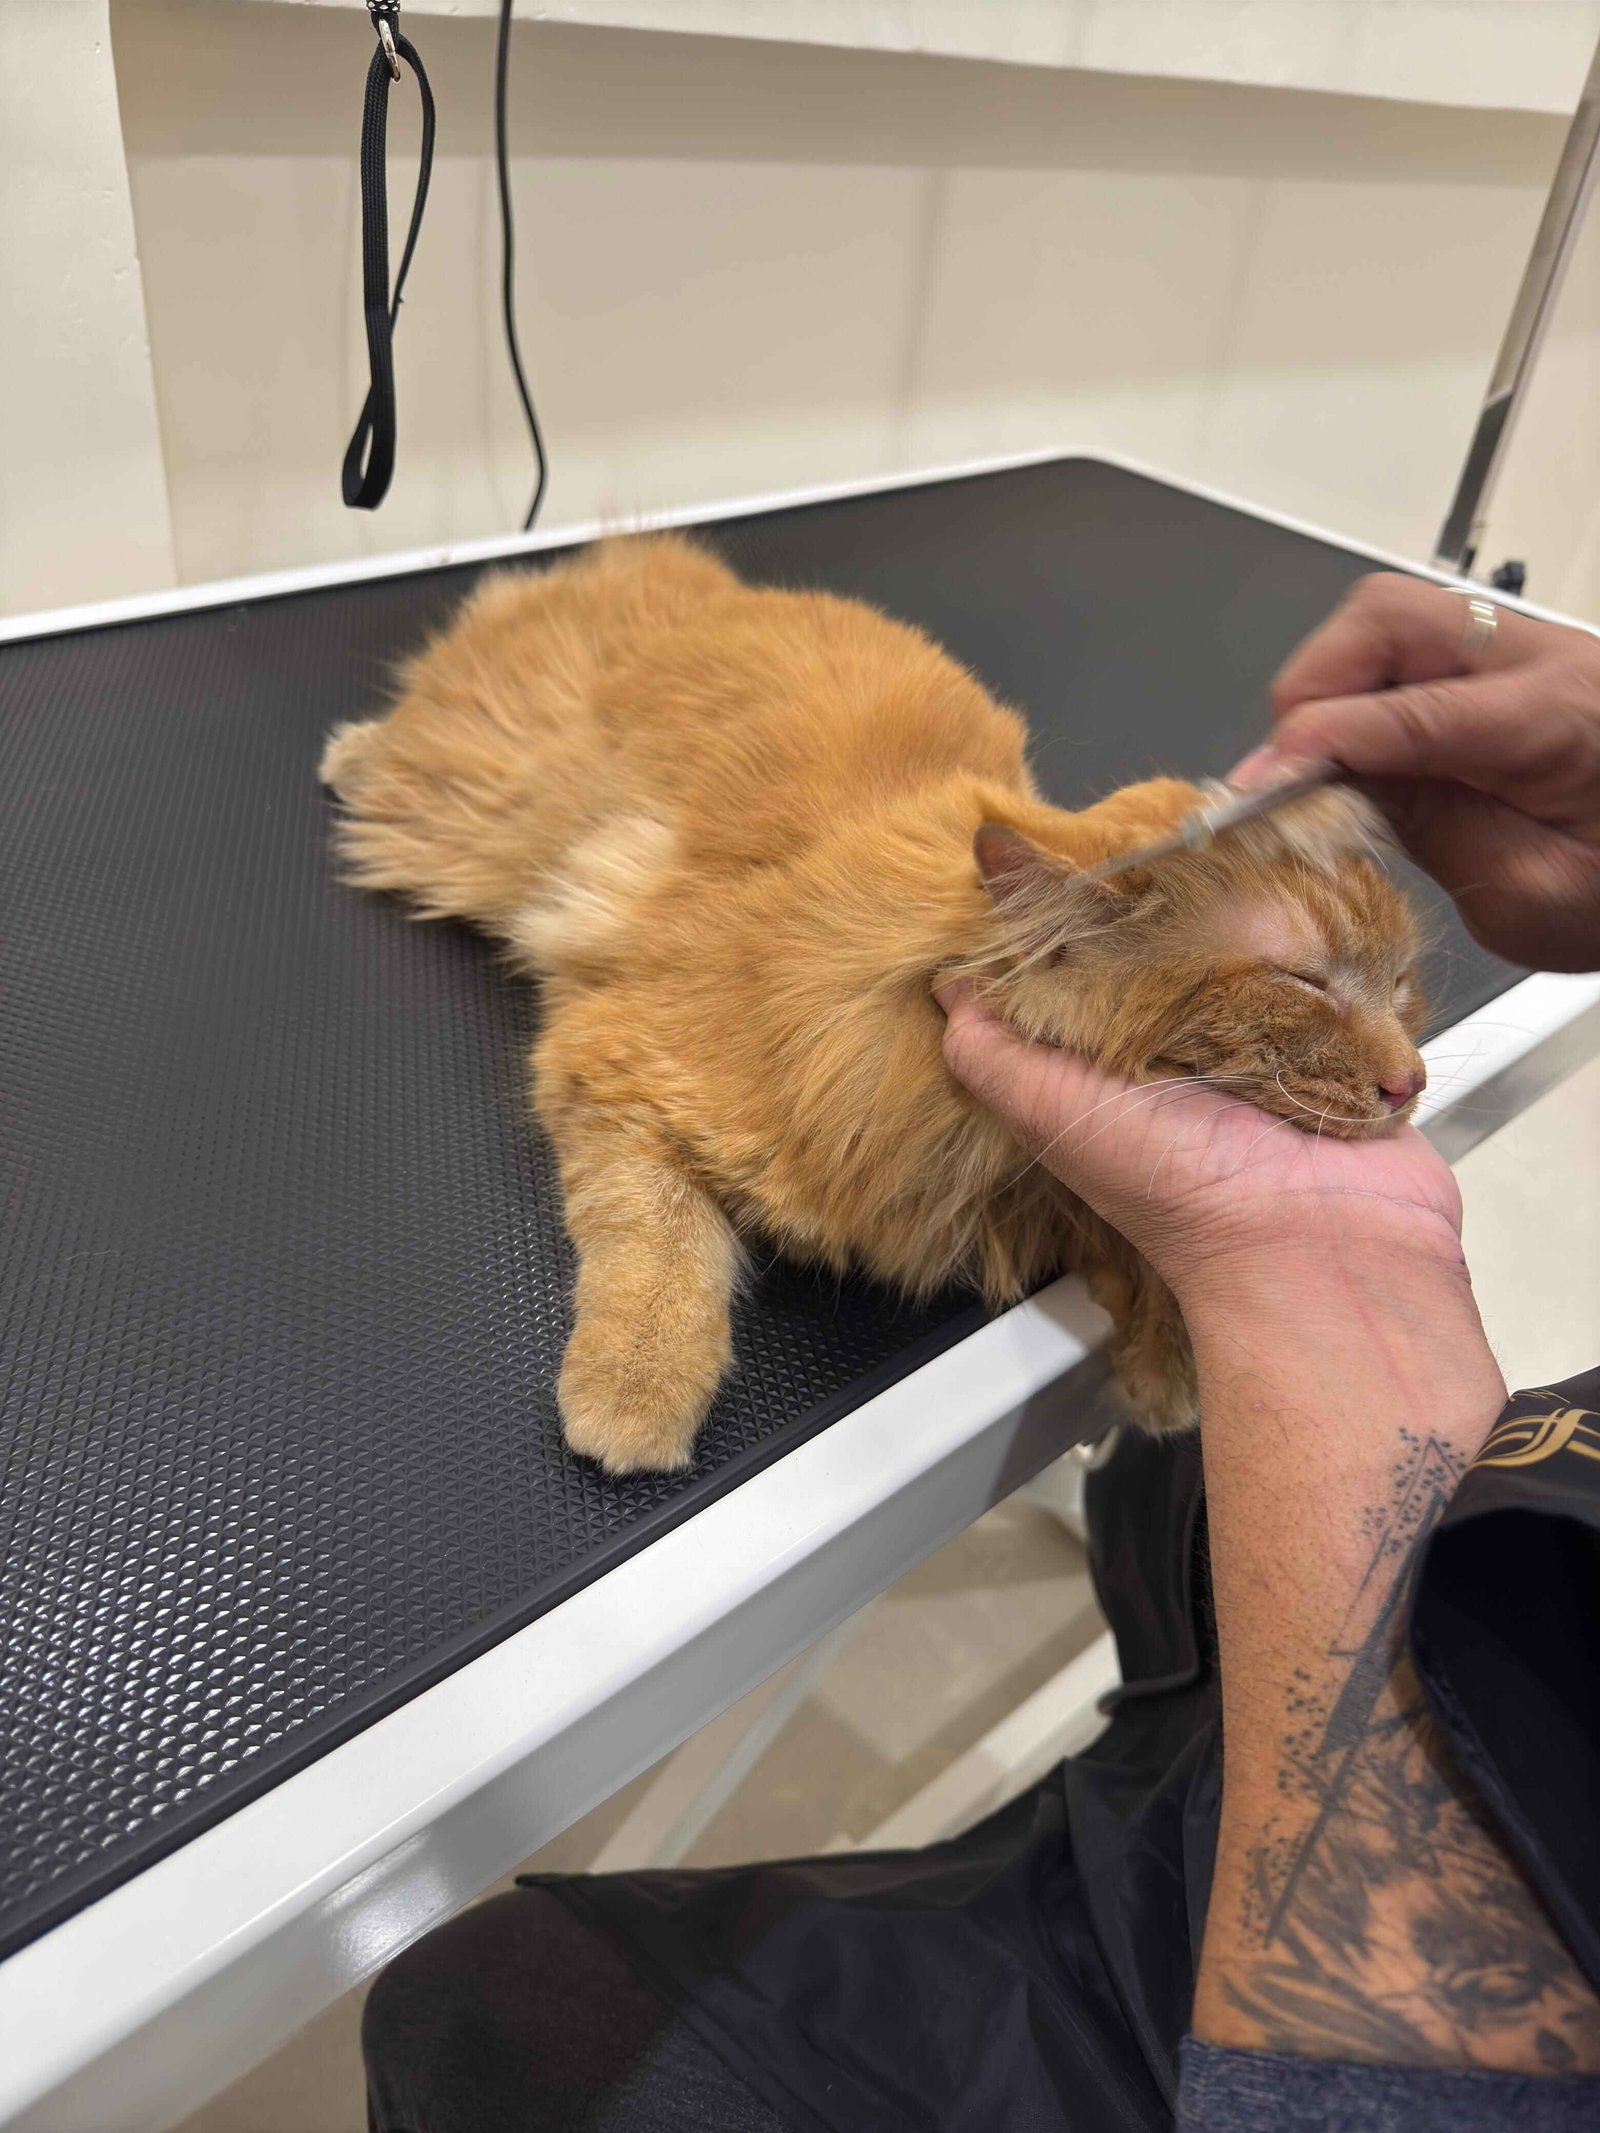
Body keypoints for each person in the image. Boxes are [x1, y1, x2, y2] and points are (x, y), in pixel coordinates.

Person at [363, 574, 1600, 2131]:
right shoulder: (921, 980)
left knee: (493, 2007)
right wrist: (655, 1285)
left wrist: (1267, 1238)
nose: (1405, 1064)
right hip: (654, 714)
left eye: (1390, 990)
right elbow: (617, 1063)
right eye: (1316, 997)